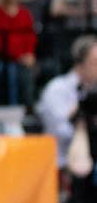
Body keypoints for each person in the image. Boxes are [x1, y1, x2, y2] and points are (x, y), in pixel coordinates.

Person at [38, 35, 97, 167]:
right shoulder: (57, 89)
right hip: (61, 162)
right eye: (95, 62)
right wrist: (82, 120)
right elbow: (60, 132)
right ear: (80, 63)